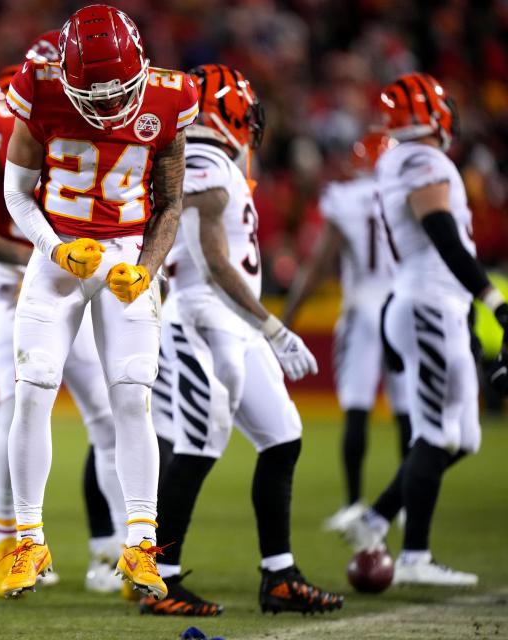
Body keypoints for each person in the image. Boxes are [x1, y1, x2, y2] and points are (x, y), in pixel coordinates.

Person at [0, 4, 198, 599]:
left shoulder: (170, 98)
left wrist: (145, 268)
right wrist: (55, 249)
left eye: (121, 93)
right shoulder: (39, 89)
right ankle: (28, 540)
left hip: (124, 261)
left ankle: (140, 543)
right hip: (60, 255)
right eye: (93, 94)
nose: (109, 107)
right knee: (32, 389)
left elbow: (170, 202)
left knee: (132, 397)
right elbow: (15, 193)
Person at [142, 64, 343, 617]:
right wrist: (272, 324)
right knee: (199, 442)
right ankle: (159, 579)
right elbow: (211, 259)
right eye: (246, 112)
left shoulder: (212, 162)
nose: (252, 126)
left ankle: (279, 576)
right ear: (226, 110)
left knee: (282, 436)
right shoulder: (202, 159)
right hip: (205, 321)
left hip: (232, 322)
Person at [0, 31, 128, 596]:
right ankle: (7, 545)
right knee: (18, 406)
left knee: (108, 414)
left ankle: (126, 552)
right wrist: (43, 254)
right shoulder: (5, 121)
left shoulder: (116, 115)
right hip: (17, 284)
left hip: (80, 278)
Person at [342, 72, 508, 586]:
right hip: (429, 304)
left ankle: (375, 519)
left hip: (429, 304)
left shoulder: (400, 158)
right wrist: (493, 300)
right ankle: (414, 555)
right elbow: (440, 234)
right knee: (436, 432)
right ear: (431, 116)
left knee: (464, 438)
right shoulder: (422, 159)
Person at [282, 131, 412, 532]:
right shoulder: (407, 196)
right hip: (403, 305)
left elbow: (321, 262)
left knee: (357, 407)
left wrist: (287, 318)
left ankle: (355, 502)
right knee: (407, 410)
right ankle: (406, 500)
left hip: (363, 307)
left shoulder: (346, 198)